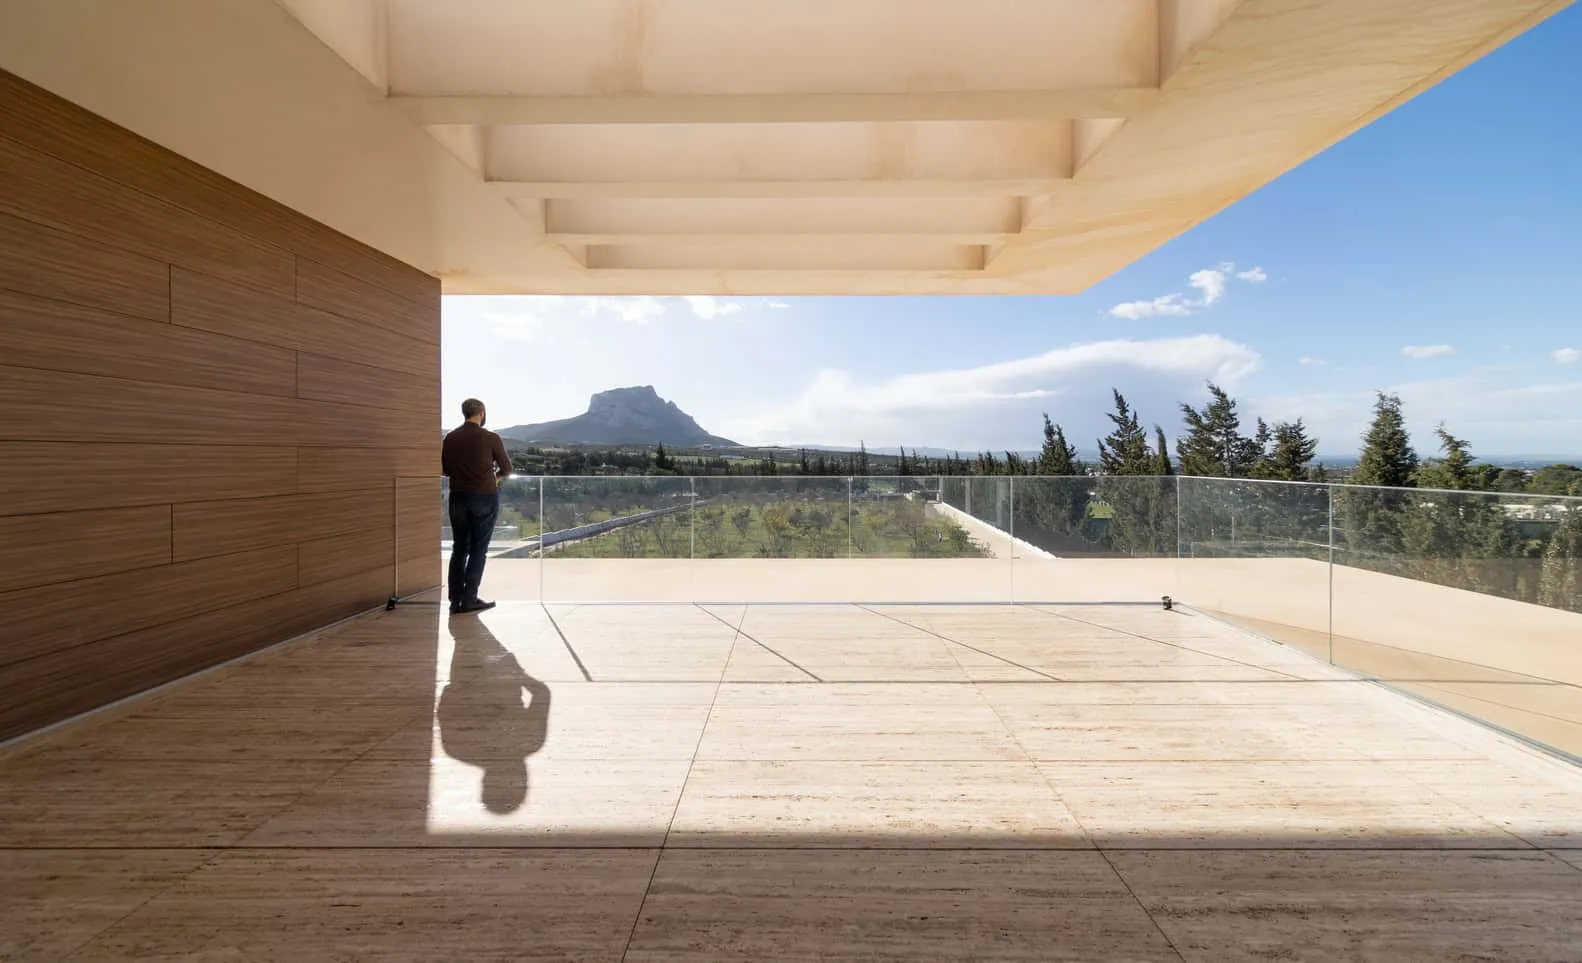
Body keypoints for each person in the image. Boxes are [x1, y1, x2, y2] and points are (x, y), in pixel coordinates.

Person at [441, 398, 512, 614]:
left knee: (459, 548)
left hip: (458, 497)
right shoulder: (490, 438)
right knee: (479, 549)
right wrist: (493, 479)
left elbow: (445, 470)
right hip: (484, 497)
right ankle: (470, 598)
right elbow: (507, 469)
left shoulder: (450, 438)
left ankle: (455, 601)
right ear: (481, 413)